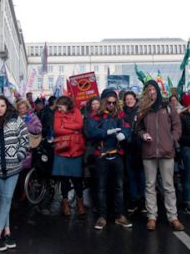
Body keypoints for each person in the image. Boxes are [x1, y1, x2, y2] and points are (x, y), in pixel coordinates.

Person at [135, 80, 184, 231]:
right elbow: (138, 128)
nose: (151, 92)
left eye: (153, 89)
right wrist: (143, 135)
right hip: (149, 152)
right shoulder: (143, 109)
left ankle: (173, 217)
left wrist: (172, 139)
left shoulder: (168, 107)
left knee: (168, 186)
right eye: (148, 90)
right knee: (150, 185)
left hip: (166, 151)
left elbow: (177, 125)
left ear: (158, 90)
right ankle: (152, 216)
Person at [0, 96, 28, 251]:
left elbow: (25, 139)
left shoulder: (16, 120)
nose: (0, 108)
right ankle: (7, 233)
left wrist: (18, 156)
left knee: (7, 199)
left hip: (13, 168)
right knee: (4, 201)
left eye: (2, 105)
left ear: (7, 107)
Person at [84, 90, 132, 229]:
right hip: (101, 156)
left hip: (116, 154)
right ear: (104, 101)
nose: (111, 105)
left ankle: (119, 216)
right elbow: (90, 132)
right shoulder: (95, 116)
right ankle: (102, 216)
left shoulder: (119, 115)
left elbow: (127, 128)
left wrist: (124, 133)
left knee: (119, 187)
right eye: (109, 102)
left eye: (114, 102)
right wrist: (106, 132)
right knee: (101, 188)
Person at [50, 96, 87, 217]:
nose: (59, 109)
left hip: (76, 149)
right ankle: (65, 202)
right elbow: (57, 130)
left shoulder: (76, 111)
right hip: (63, 149)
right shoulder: (57, 113)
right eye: (58, 107)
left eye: (61, 107)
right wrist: (72, 128)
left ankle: (80, 202)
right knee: (64, 178)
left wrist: (64, 125)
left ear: (67, 105)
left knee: (77, 178)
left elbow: (80, 126)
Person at [121, 91, 145, 214]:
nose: (129, 101)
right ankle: (133, 199)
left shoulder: (141, 112)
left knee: (141, 176)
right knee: (131, 176)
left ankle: (142, 201)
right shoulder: (122, 114)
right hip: (128, 149)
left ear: (135, 99)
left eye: (131, 98)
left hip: (140, 148)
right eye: (127, 99)